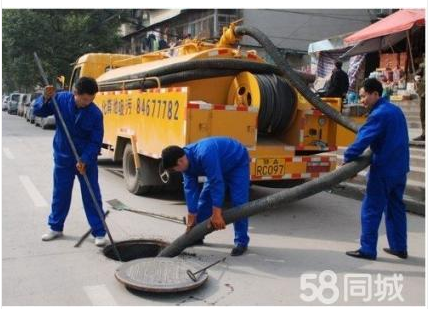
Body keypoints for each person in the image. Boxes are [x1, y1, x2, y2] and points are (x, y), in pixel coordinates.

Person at [34, 77, 107, 247]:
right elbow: (39, 111)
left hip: (86, 161)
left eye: (91, 99)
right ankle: (56, 227)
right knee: (60, 193)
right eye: (84, 99)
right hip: (63, 157)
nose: (88, 103)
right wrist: (45, 98)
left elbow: (96, 141)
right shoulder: (59, 99)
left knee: (92, 195)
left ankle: (99, 231)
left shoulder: (95, 114)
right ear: (75, 93)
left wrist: (85, 159)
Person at [344, 78, 409, 260]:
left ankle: (368, 249)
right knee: (395, 207)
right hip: (400, 168)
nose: (362, 100)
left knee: (371, 208)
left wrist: (347, 160)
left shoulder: (379, 114)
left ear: (375, 94)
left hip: (384, 169)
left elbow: (362, 139)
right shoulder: (395, 110)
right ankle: (399, 247)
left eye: (364, 96)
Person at [161, 137, 250, 256]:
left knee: (239, 203)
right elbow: (190, 190)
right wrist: (192, 215)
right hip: (217, 167)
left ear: (180, 161)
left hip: (236, 162)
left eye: (174, 169)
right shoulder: (186, 164)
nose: (176, 171)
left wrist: (217, 213)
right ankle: (198, 235)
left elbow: (216, 183)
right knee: (203, 202)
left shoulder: (204, 153)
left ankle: (241, 242)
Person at [413, 61, 425, 141]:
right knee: (423, 115)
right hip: (424, 93)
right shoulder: (424, 65)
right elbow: (417, 74)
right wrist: (416, 78)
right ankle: (424, 134)